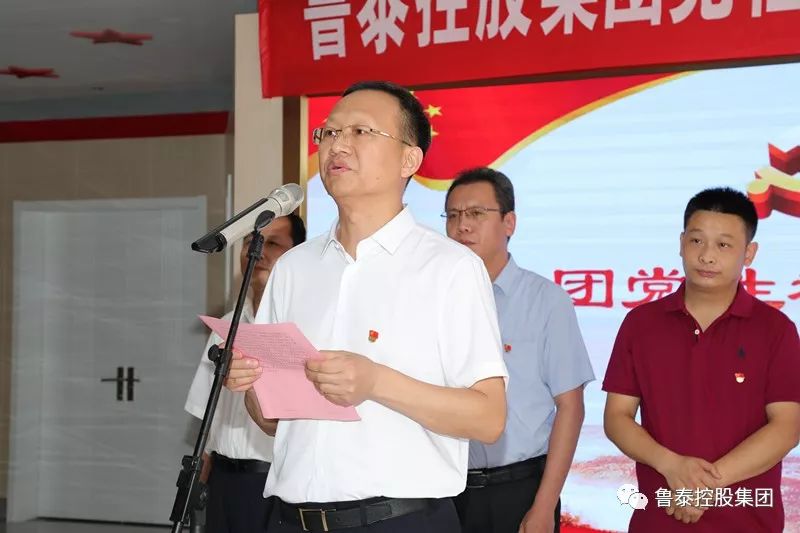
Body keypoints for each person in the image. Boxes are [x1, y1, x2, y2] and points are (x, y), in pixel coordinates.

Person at [225, 80, 509, 533]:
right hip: (291, 519)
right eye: (329, 132)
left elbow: (489, 418)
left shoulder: (450, 268)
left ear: (409, 160)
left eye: (360, 131)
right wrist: (253, 386)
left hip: (400, 520)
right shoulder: (293, 268)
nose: (337, 144)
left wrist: (375, 381)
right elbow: (275, 423)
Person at [603, 187, 800, 532]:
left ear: (749, 253)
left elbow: (787, 426)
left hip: (748, 522)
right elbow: (617, 417)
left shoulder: (775, 329)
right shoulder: (641, 324)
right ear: (681, 243)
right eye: (696, 241)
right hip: (659, 519)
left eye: (724, 245)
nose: (707, 256)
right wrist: (671, 466)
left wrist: (703, 487)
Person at [444, 168, 595, 533]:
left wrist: (544, 506)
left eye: (476, 213)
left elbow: (570, 408)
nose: (463, 226)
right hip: (445, 491)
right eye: (453, 215)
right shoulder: (434, 301)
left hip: (519, 490)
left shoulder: (546, 301)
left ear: (509, 222)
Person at [184, 213, 306, 533]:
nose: (259, 251)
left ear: (296, 254)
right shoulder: (226, 324)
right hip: (222, 483)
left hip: (274, 485)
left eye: (273, 243)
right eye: (251, 242)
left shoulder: (303, 328)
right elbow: (207, 416)